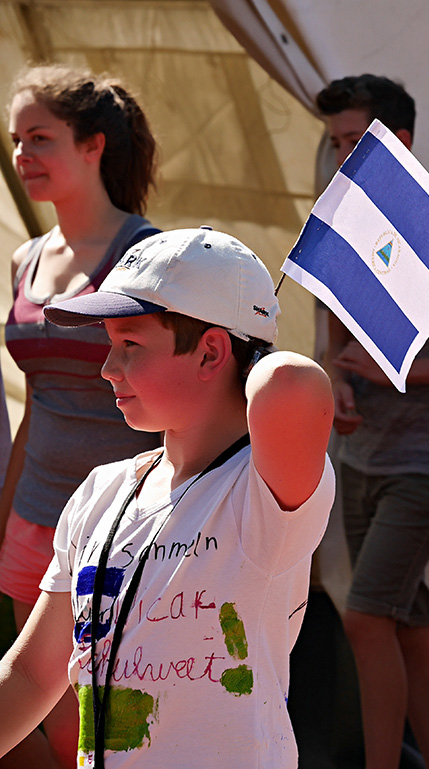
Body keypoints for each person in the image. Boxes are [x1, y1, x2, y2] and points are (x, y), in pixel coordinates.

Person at [0, 226, 334, 768]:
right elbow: (34, 673)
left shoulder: (260, 494)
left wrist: (252, 355)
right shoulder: (99, 494)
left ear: (210, 354)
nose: (107, 369)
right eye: (109, 344)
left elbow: (292, 386)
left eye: (130, 345)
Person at [1, 63, 162, 768]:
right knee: (56, 727)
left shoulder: (151, 257)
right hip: (34, 522)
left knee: (115, 734)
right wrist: (6, 512)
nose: (22, 157)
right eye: (14, 140)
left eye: (40, 137)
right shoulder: (24, 258)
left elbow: (175, 399)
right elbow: (36, 401)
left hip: (121, 529)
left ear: (94, 144)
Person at [316, 74, 429, 769]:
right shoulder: (335, 229)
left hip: (428, 457)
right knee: (406, 624)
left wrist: (392, 370)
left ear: (399, 141)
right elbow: (333, 344)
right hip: (362, 455)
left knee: (366, 613)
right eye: (336, 142)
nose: (344, 155)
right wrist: (339, 385)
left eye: (356, 140)